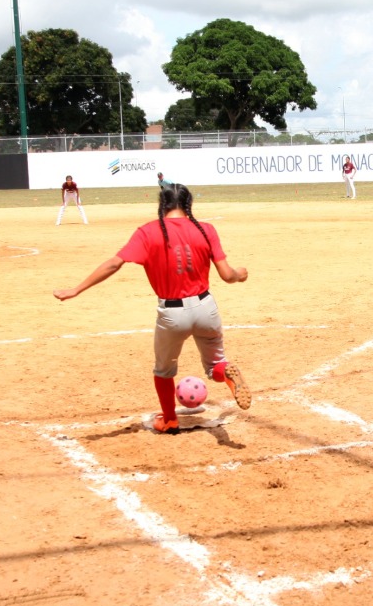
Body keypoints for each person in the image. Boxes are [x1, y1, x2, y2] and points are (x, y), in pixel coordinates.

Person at [53, 183, 252, 434]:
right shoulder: (205, 229)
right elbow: (226, 274)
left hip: (172, 313)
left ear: (163, 204)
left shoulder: (148, 231)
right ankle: (226, 373)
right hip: (205, 307)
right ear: (189, 204)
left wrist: (77, 289)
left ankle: (169, 420)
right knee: (215, 365)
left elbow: (115, 264)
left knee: (164, 370)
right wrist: (239, 274)